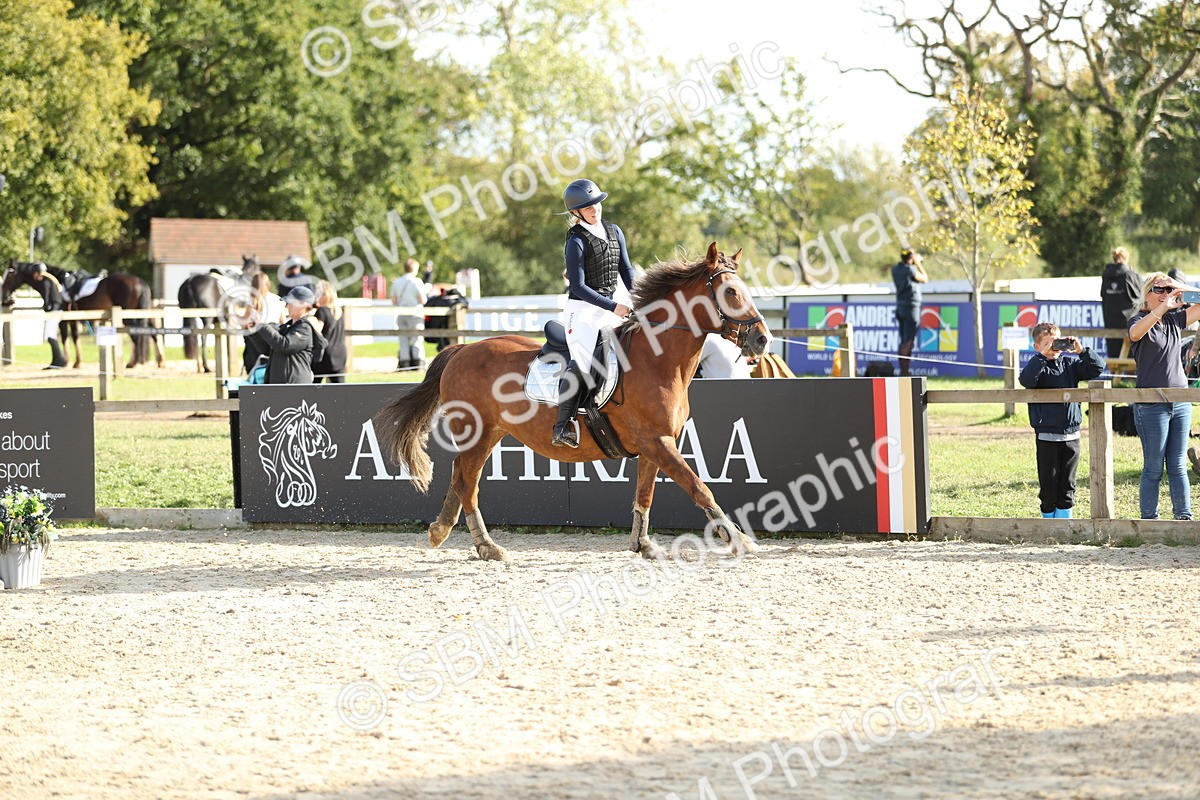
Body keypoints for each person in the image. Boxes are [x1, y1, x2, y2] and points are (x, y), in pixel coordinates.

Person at [553, 178, 636, 447]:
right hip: (583, 310)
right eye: (588, 207)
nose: (594, 210)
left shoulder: (614, 231)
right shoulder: (576, 240)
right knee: (582, 361)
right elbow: (577, 285)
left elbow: (626, 270)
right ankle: (561, 425)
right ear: (575, 212)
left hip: (612, 303)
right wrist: (614, 306)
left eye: (596, 204)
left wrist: (639, 298)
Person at [1127, 272, 1200, 520]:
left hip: (1179, 401)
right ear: (1147, 294)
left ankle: (1183, 516)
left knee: (1178, 465)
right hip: (1151, 405)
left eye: (1166, 289)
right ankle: (1150, 520)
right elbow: (1135, 334)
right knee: (1153, 467)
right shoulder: (1138, 318)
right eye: (1158, 289)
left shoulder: (1174, 319)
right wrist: (1161, 308)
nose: (1164, 294)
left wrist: (1179, 286)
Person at [1018, 323, 1105, 518]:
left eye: (1057, 342)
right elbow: (1026, 380)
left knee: (1068, 485)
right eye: (1048, 344)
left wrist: (1082, 351)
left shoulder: (1070, 365)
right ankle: (1049, 526)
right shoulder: (1037, 366)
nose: (1054, 347)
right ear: (1037, 347)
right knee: (1048, 485)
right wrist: (1042, 357)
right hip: (1047, 436)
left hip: (1072, 435)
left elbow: (1097, 368)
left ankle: (1065, 526)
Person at [247, 286, 327, 385]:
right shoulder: (288, 327)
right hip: (281, 386)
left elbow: (284, 345)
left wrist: (261, 325)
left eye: (291, 303)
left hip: (295, 386)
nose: (287, 306)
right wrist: (254, 332)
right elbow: (269, 350)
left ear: (303, 305)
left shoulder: (305, 328)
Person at [892, 249, 928, 376]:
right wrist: (918, 263)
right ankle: (905, 372)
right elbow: (925, 279)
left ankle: (903, 371)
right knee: (908, 341)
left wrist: (912, 262)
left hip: (900, 307)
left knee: (903, 341)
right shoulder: (910, 270)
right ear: (911, 258)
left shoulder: (895, 269)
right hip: (911, 308)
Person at [240, 272, 285, 376]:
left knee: (254, 370)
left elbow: (244, 324)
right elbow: (282, 322)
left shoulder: (252, 301)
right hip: (273, 337)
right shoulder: (277, 299)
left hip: (255, 339)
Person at [1101, 246, 1141, 359]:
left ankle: (1116, 376)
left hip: (1110, 322)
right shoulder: (1131, 275)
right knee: (1132, 359)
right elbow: (1142, 296)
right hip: (1130, 324)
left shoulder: (1106, 275)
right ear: (1126, 258)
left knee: (1114, 357)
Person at [390, 257, 427, 371]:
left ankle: (404, 364)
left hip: (401, 313)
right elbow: (422, 300)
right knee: (417, 339)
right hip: (415, 314)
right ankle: (418, 364)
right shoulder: (417, 281)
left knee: (403, 340)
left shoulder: (397, 282)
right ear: (415, 268)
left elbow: (394, 300)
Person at [312, 280, 347, 384]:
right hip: (340, 353)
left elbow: (317, 330)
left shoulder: (322, 311)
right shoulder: (339, 310)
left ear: (324, 295)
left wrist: (309, 319)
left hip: (325, 355)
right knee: (340, 389)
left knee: (314, 387)